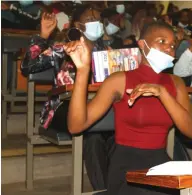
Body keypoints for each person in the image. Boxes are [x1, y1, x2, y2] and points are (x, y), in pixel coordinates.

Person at [64, 21, 192, 195]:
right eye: (161, 41)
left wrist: (162, 93)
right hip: (127, 167)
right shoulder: (119, 80)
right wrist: (83, 70)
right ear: (141, 44)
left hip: (160, 164)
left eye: (173, 45)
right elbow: (75, 126)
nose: (169, 48)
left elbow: (191, 132)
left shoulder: (175, 83)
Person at [21, 4, 123, 191]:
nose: (97, 24)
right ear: (78, 25)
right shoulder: (65, 48)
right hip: (63, 108)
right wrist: (43, 37)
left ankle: (117, 188)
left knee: (120, 131)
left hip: (98, 109)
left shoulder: (108, 52)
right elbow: (28, 67)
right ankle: (105, 191)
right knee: (94, 131)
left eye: (98, 20)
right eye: (91, 20)